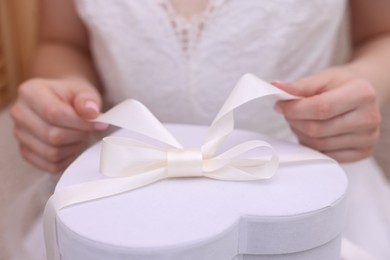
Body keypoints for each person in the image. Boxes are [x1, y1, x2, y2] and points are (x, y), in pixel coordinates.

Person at [9, 0, 390, 259]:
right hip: (120, 188)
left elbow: (381, 34)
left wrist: (362, 80)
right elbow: (61, 41)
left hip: (298, 183)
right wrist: (65, 89)